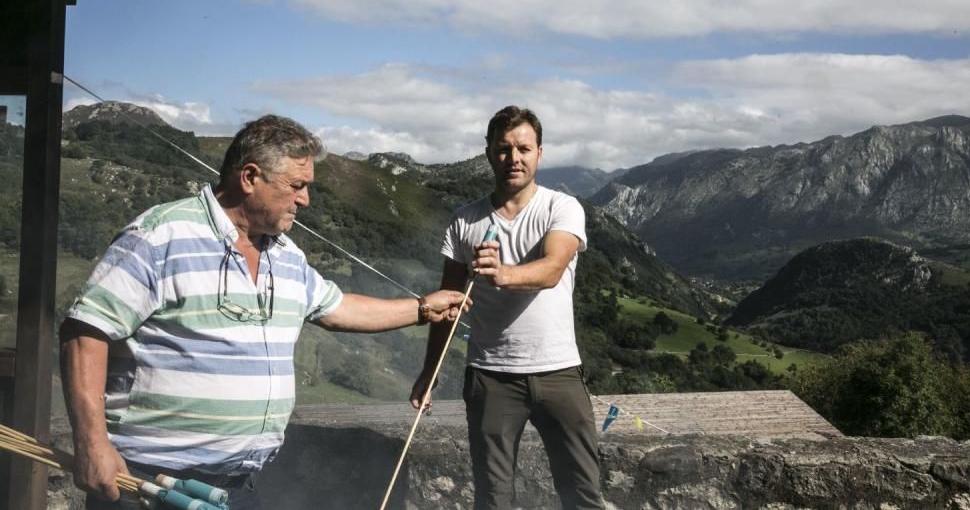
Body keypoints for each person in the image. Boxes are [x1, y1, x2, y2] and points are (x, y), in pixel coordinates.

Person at [60, 115, 471, 509]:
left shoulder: (285, 255)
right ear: (250, 177)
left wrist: (422, 308)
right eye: (296, 185)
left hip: (236, 488)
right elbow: (86, 332)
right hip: (150, 483)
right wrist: (92, 444)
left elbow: (339, 308)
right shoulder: (161, 236)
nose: (305, 199)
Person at [409, 105, 603, 509]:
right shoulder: (464, 221)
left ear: (539, 153)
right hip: (491, 377)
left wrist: (501, 273)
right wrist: (429, 372)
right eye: (503, 149)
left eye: (523, 149)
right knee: (493, 499)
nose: (513, 158)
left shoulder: (562, 208)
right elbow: (448, 302)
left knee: (583, 493)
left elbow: (551, 269)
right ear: (488, 153)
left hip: (559, 372)